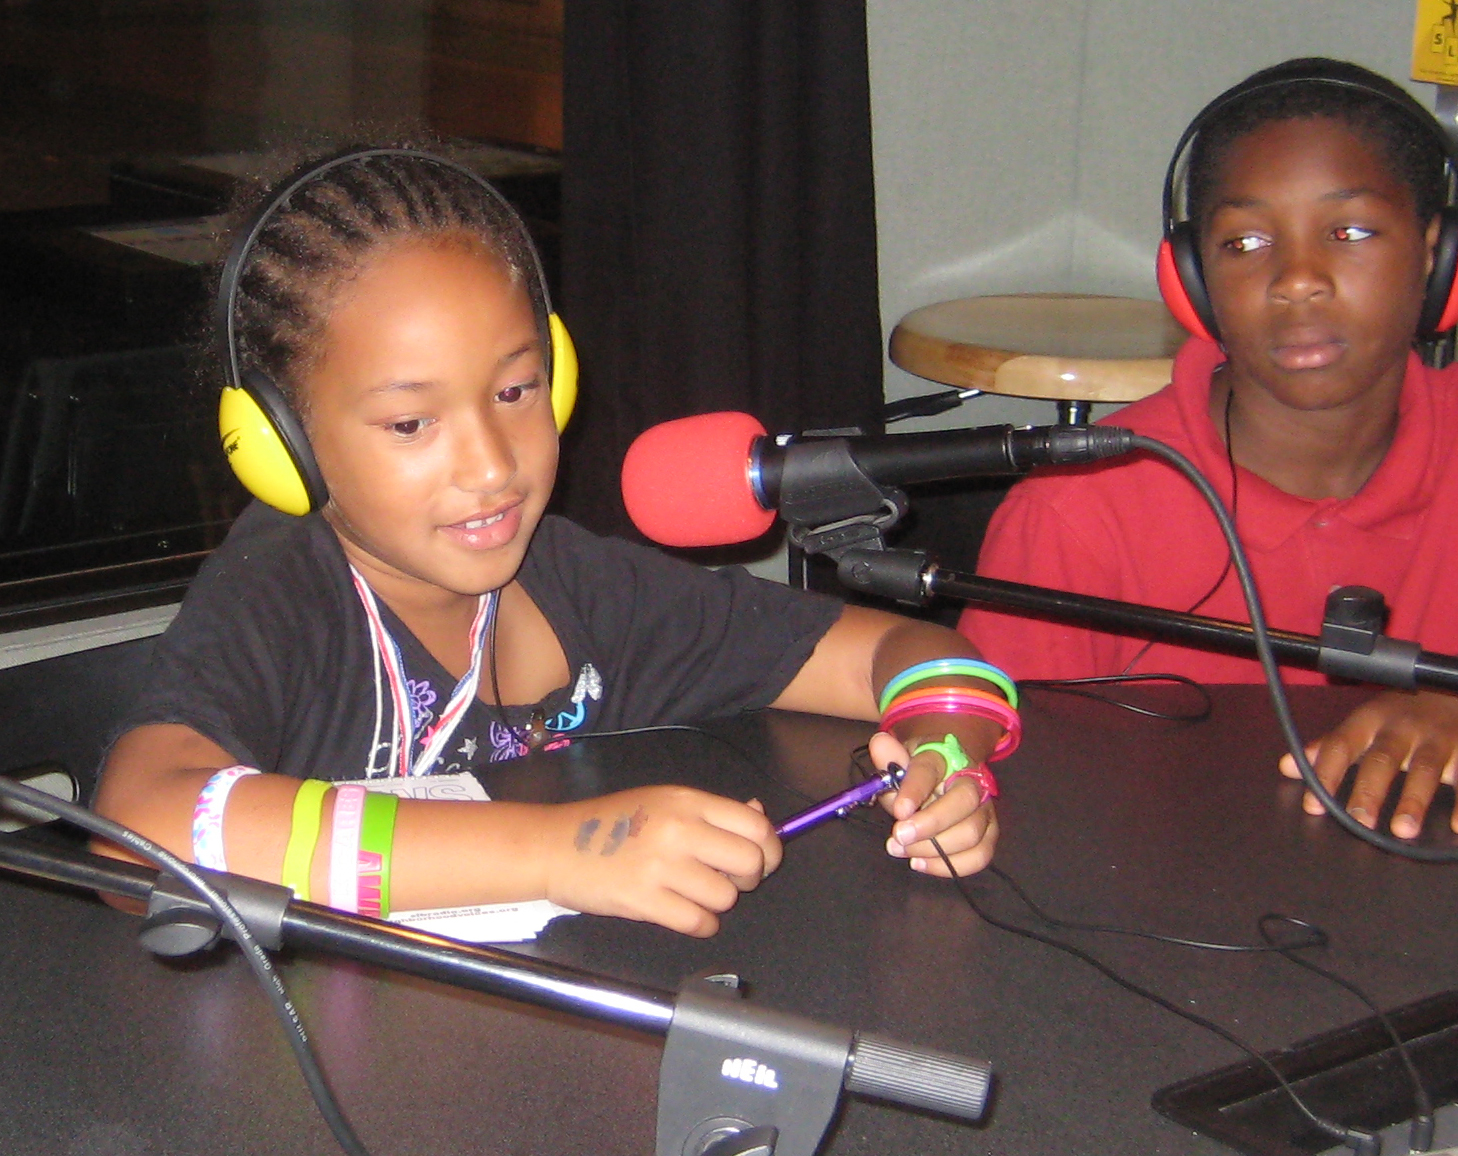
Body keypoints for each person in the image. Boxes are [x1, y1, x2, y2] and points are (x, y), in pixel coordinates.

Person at [94, 146, 1009, 938]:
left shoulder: (579, 585)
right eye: (411, 423)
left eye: (514, 391)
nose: (492, 464)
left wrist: (940, 754)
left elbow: (916, 652)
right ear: (280, 444)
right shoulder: (282, 589)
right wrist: (563, 850)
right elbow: (139, 834)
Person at [959, 59, 1458, 841]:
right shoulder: (1078, 508)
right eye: (1244, 242)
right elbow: (997, 772)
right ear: (1194, 283)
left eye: (1349, 232)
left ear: (1440, 259)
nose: (1296, 279)